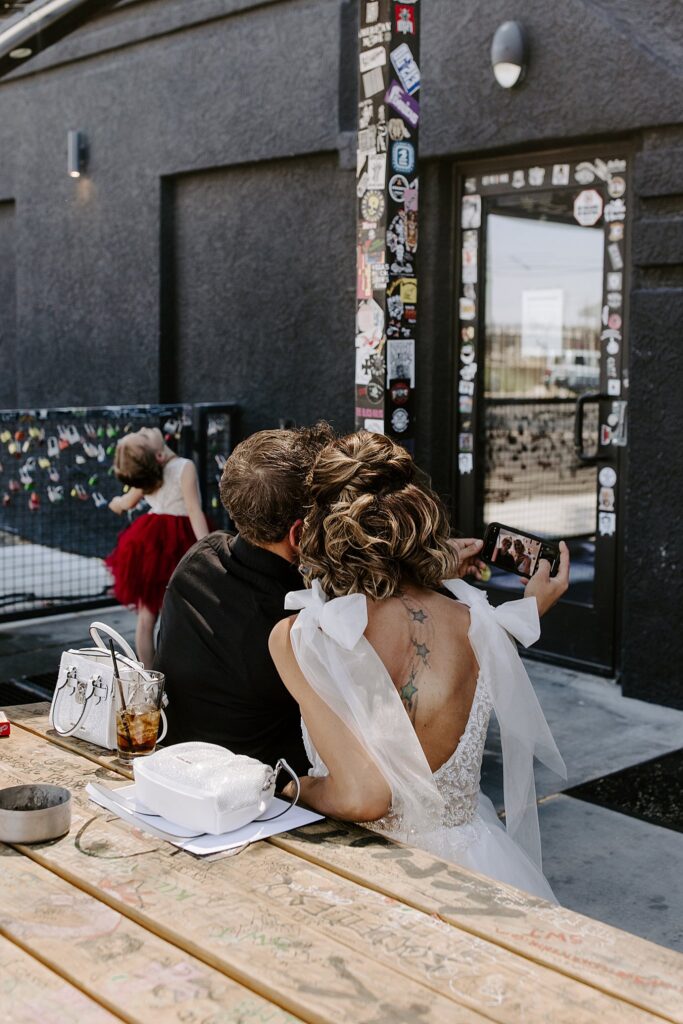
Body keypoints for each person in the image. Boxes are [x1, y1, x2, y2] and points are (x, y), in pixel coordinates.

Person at [269, 431, 569, 901]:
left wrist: (293, 787)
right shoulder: (481, 626)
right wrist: (531, 607)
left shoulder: (305, 638)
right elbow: (476, 646)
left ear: (323, 529)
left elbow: (358, 798)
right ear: (421, 520)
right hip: (476, 870)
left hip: (363, 875)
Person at [153, 422, 486, 773]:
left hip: (176, 769)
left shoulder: (198, 558)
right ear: (299, 534)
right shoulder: (306, 620)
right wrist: (426, 572)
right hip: (277, 800)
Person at [106, 426, 209, 667]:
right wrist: (207, 548)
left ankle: (149, 676)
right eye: (143, 436)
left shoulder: (148, 472)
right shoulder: (184, 467)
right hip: (180, 542)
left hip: (149, 543)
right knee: (180, 613)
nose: (145, 428)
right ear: (159, 455)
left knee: (146, 617)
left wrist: (117, 504)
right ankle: (181, 669)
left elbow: (126, 502)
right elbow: (194, 511)